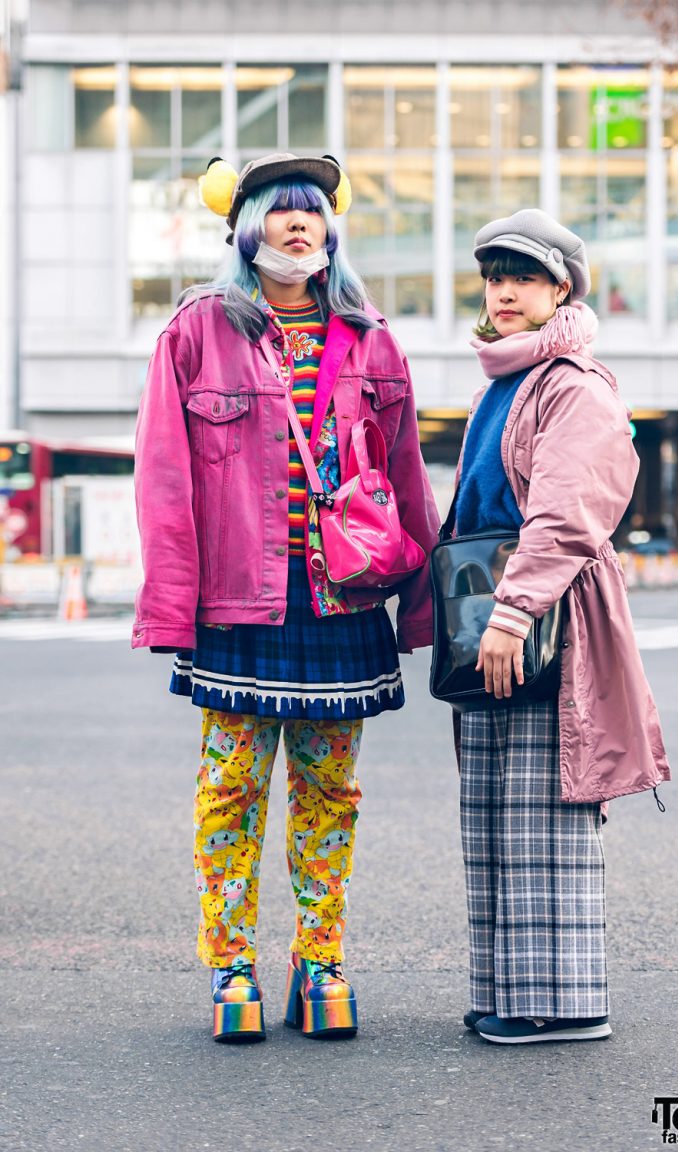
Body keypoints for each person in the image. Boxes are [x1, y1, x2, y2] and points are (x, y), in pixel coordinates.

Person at [131, 152, 439, 1043]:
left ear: (332, 232)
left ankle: (320, 960)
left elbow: (407, 482)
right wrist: (171, 609)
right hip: (237, 611)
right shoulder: (195, 331)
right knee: (229, 791)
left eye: (313, 213)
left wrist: (419, 611)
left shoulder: (373, 339)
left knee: (330, 793)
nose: (299, 225)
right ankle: (231, 968)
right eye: (278, 211)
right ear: (242, 230)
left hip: (343, 614)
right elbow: (163, 481)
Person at [454, 208, 670, 1045]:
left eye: (524, 277)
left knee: (546, 807)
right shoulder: (505, 381)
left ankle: (562, 1003)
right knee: (496, 812)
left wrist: (511, 611)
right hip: (501, 616)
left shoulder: (573, 384)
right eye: (493, 276)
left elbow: (568, 515)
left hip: (546, 617)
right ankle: (511, 989)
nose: (503, 291)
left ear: (560, 290)